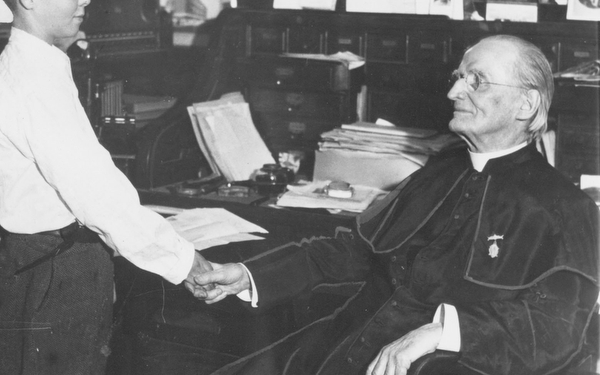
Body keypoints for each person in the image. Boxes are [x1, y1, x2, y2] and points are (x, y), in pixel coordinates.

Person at [191, 34, 600, 375]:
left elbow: (555, 330)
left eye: (477, 80)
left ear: (526, 105)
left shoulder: (566, 209)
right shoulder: (440, 169)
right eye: (459, 77)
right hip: (345, 340)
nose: (453, 91)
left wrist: (440, 332)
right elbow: (355, 252)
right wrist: (249, 275)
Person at [0, 0, 212, 374]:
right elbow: (97, 194)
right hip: (56, 275)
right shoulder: (39, 81)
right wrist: (185, 261)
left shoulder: (22, 63)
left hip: (33, 265)